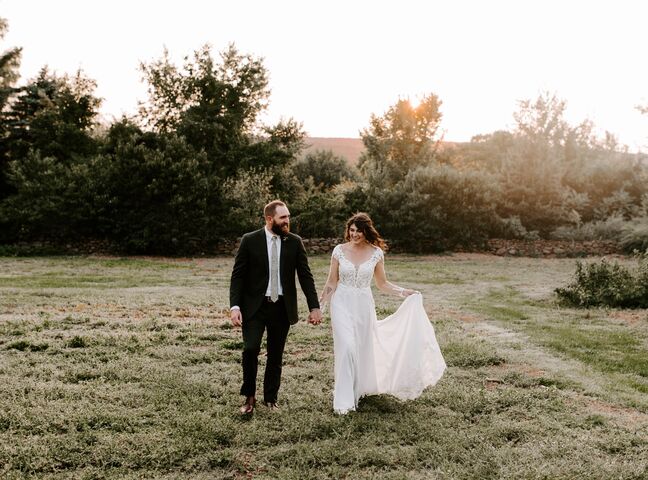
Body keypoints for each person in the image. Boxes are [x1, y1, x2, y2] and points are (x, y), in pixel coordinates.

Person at [319, 212, 446, 414]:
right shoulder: (339, 251)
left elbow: (382, 283)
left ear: (366, 231)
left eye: (358, 231)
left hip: (363, 305)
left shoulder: (376, 253)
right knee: (348, 348)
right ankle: (343, 401)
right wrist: (320, 304)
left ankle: (357, 390)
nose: (354, 235)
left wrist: (404, 292)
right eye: (351, 230)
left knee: (361, 349)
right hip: (341, 303)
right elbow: (332, 282)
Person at [230, 200, 322, 415]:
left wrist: (314, 306)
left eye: (288, 216)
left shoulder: (294, 242)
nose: (287, 221)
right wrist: (235, 306)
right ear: (270, 219)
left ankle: (271, 398)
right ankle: (249, 397)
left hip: (282, 307)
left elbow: (305, 276)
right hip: (254, 306)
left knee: (275, 354)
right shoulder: (250, 240)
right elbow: (238, 276)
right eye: (283, 217)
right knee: (250, 348)